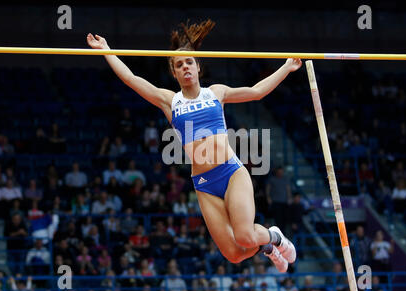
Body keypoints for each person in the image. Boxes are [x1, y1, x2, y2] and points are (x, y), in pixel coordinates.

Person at [87, 19, 300, 272]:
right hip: (204, 184)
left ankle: (273, 237)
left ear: (198, 67)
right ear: (175, 73)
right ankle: (268, 247)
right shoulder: (170, 101)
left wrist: (286, 67)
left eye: (189, 62)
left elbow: (256, 92)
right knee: (233, 254)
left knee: (245, 237)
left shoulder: (216, 93)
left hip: (231, 172)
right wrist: (106, 50)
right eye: (179, 65)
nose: (185, 67)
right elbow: (131, 79)